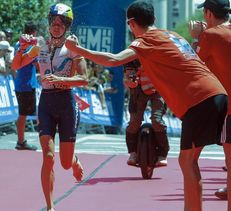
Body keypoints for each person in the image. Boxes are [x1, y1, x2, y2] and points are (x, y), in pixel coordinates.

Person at [65, 2, 227, 211]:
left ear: (131, 24)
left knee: (188, 162)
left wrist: (76, 49)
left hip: (200, 99)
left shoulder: (146, 40)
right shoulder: (170, 35)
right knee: (191, 159)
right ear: (154, 20)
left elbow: (114, 60)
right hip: (218, 94)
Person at [13, 3, 87, 211]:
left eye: (61, 23)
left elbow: (83, 78)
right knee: (47, 156)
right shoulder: (39, 45)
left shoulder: (72, 46)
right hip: (46, 101)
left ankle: (73, 161)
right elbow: (17, 65)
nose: (56, 26)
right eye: (53, 22)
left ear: (67, 26)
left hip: (66, 103)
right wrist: (21, 48)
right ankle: (50, 206)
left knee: (64, 162)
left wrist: (62, 81)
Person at [189, 0, 231, 205]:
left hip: (228, 108)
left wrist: (197, 38)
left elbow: (193, 65)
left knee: (188, 160)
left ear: (208, 13)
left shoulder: (210, 36)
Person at [123, 59, 169, 167]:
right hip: (138, 89)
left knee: (157, 120)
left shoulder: (160, 51)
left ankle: (162, 155)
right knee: (134, 122)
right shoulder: (132, 54)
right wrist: (130, 82)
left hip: (158, 88)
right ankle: (133, 153)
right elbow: (127, 77)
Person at [11, 22, 39, 151]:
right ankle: (21, 141)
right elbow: (38, 64)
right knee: (23, 114)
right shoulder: (30, 46)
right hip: (25, 84)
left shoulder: (19, 43)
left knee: (25, 114)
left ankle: (21, 140)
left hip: (25, 83)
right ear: (34, 32)